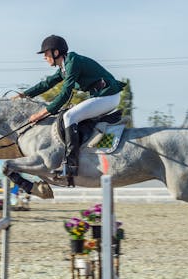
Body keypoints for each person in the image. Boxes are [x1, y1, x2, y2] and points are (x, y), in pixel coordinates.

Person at [13, 35, 125, 178]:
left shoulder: (73, 61)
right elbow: (47, 84)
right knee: (72, 115)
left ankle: (71, 166)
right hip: (102, 96)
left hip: (108, 96)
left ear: (56, 52)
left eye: (46, 53)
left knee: (69, 115)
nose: (44, 57)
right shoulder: (64, 67)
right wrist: (24, 95)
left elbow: (65, 93)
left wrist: (42, 113)